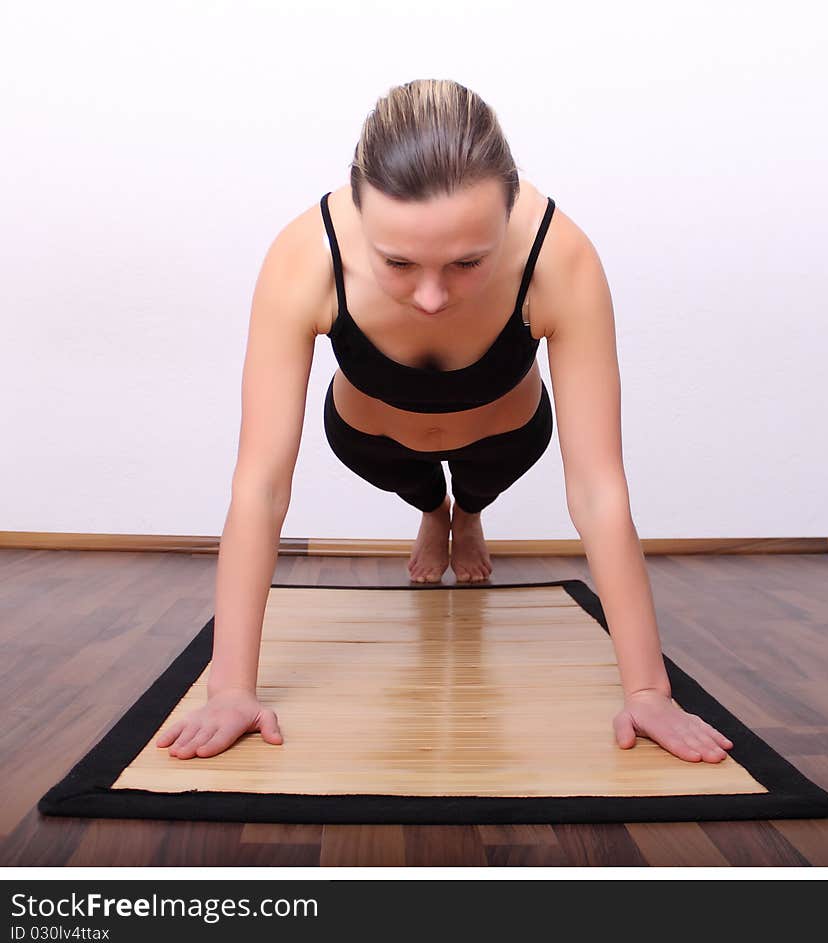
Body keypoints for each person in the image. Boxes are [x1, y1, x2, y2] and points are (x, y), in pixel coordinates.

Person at [157, 79, 734, 767]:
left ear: (511, 208)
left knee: (483, 480)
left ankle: (470, 508)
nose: (431, 297)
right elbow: (260, 486)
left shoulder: (559, 257)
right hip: (374, 445)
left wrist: (648, 691)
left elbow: (599, 488)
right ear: (358, 213)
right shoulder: (305, 257)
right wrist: (230, 689)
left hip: (504, 444)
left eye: (468, 263)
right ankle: (435, 507)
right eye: (397, 263)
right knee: (414, 483)